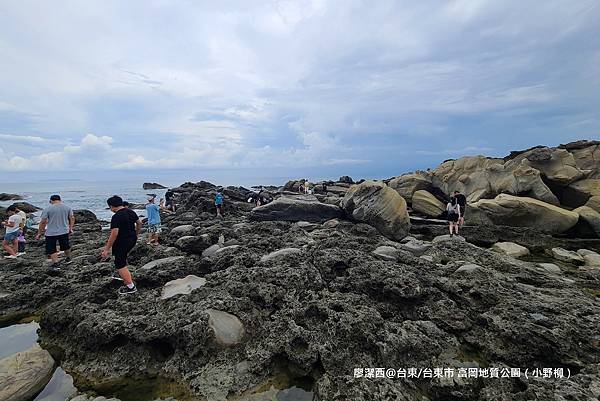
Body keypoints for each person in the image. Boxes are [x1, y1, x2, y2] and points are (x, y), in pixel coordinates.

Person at [102, 195, 141, 295]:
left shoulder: (116, 217)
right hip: (132, 239)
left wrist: (106, 249)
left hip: (122, 242)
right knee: (121, 257)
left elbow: (114, 234)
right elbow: (139, 222)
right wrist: (136, 234)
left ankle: (130, 287)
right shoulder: (130, 211)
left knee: (120, 263)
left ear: (111, 206)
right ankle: (120, 274)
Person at [35, 195, 75, 270]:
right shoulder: (67, 208)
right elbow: (72, 218)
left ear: (51, 200)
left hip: (51, 232)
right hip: (64, 231)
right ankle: (68, 258)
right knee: (66, 245)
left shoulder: (48, 209)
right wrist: (71, 228)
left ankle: (56, 263)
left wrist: (39, 233)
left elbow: (43, 222)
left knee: (51, 248)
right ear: (60, 199)